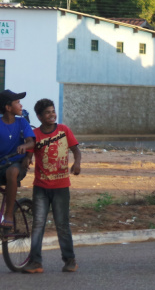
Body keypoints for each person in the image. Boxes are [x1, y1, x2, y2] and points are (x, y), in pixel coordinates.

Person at [22, 99, 82, 274]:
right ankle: (35, 262)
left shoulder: (64, 130)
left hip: (61, 186)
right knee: (38, 224)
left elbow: (76, 150)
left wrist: (77, 163)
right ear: (39, 117)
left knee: (62, 224)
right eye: (47, 112)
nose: (51, 115)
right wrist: (27, 160)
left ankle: (70, 260)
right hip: (40, 187)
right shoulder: (35, 135)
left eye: (53, 111)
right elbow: (29, 154)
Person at [0, 90, 35, 229]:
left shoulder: (22, 123)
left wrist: (25, 146)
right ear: (8, 108)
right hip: (1, 164)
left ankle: (8, 215)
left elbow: (31, 142)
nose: (21, 105)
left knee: (12, 172)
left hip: (16, 164)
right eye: (18, 102)